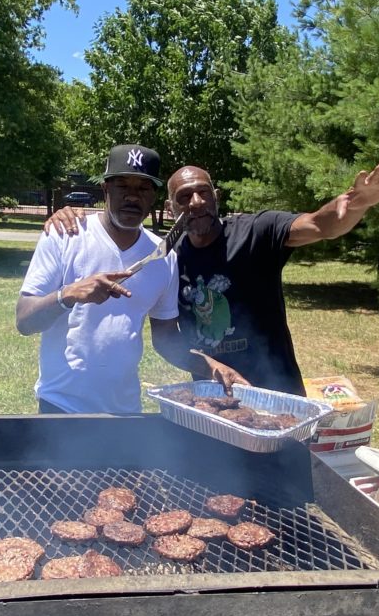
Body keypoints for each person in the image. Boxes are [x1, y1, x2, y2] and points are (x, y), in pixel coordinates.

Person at [48, 161, 379, 395]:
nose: (196, 202)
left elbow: (319, 224)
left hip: (276, 393)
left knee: (283, 503)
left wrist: (357, 203)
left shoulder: (256, 232)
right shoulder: (168, 258)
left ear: (216, 196)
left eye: (203, 192)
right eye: (184, 197)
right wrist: (71, 214)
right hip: (212, 403)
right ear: (171, 208)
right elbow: (165, 337)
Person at [16, 144, 241, 414]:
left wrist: (211, 366)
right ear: (106, 190)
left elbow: (166, 337)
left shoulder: (163, 256)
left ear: (154, 198)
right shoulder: (65, 235)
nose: (132, 197)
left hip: (125, 411)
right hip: (62, 406)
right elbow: (24, 321)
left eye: (143, 188)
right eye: (123, 186)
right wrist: (70, 294)